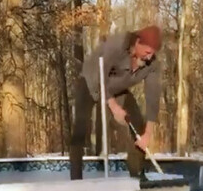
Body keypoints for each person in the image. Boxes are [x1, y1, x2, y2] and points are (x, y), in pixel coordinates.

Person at [69, 25, 163, 180]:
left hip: (117, 89)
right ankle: (76, 180)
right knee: (80, 127)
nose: (149, 57)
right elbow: (100, 76)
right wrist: (114, 107)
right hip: (90, 81)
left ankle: (137, 177)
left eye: (152, 54)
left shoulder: (152, 64)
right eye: (147, 52)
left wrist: (147, 133)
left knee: (138, 124)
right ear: (138, 42)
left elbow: (153, 96)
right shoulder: (118, 44)